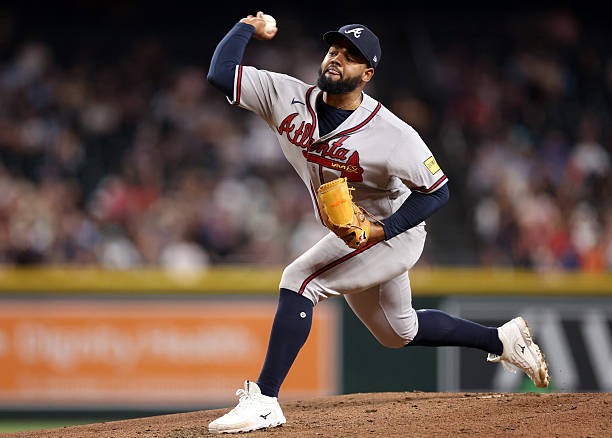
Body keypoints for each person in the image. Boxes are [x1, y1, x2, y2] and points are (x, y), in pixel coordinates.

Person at [206, 12, 550, 434]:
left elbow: (438, 190)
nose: (337, 59)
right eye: (333, 50)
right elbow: (221, 74)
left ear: (367, 74)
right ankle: (502, 339)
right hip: (356, 233)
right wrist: (247, 26)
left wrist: (382, 231)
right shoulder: (286, 95)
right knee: (397, 331)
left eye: (350, 57)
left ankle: (265, 400)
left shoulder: (393, 133)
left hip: (392, 231)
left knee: (300, 279)